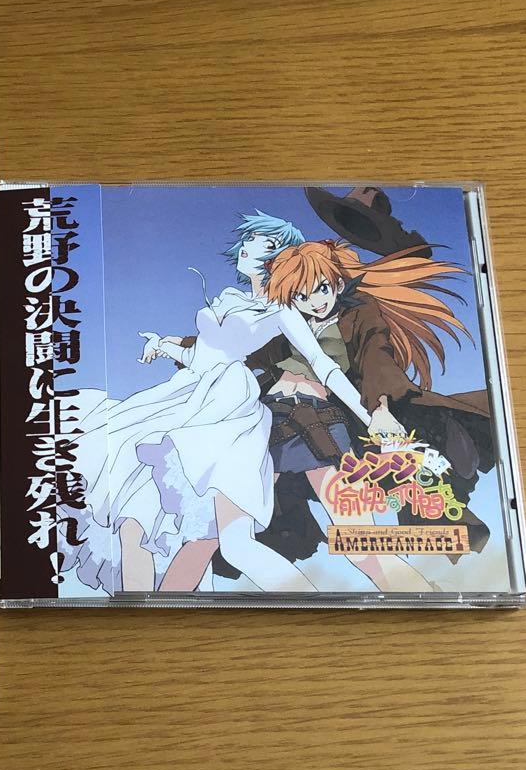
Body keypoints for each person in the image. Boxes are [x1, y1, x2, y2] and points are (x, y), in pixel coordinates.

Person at [63, 212, 378, 595]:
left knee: (221, 538)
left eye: (265, 243)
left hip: (226, 406)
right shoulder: (232, 298)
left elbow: (322, 364)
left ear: (278, 258)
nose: (249, 247)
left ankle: (311, 604)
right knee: (137, 517)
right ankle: (141, 609)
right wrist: (162, 346)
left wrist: (367, 415)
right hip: (186, 394)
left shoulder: (281, 310)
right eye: (250, 239)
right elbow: (200, 356)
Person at [201, 239, 493, 589]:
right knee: (225, 534)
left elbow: (376, 359)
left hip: (319, 424)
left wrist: (379, 409)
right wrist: (178, 345)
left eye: (321, 289)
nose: (315, 301)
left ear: (337, 283)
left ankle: (420, 595)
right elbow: (236, 348)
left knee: (358, 541)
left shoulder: (358, 315)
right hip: (268, 425)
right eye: (302, 296)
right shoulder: (286, 323)